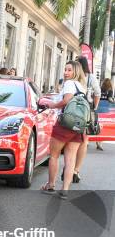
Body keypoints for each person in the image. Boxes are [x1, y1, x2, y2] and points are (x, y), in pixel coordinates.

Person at [39, 61, 87, 198]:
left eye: (69, 70)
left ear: (75, 72)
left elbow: (66, 101)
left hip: (64, 124)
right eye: (65, 69)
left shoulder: (69, 84)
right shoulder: (81, 87)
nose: (66, 73)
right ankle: (65, 190)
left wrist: (52, 105)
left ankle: (50, 185)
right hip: (78, 126)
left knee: (54, 156)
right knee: (70, 159)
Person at [69, 56, 100, 182]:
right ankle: (75, 170)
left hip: (74, 110)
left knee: (74, 139)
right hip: (85, 111)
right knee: (83, 141)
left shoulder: (75, 76)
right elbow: (97, 93)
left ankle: (71, 168)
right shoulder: (90, 77)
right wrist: (94, 108)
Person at [96, 78, 114, 151]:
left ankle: (91, 139)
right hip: (105, 108)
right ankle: (99, 142)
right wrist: (113, 101)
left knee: (96, 123)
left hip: (98, 107)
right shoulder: (110, 90)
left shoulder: (100, 89)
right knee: (102, 125)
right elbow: (110, 99)